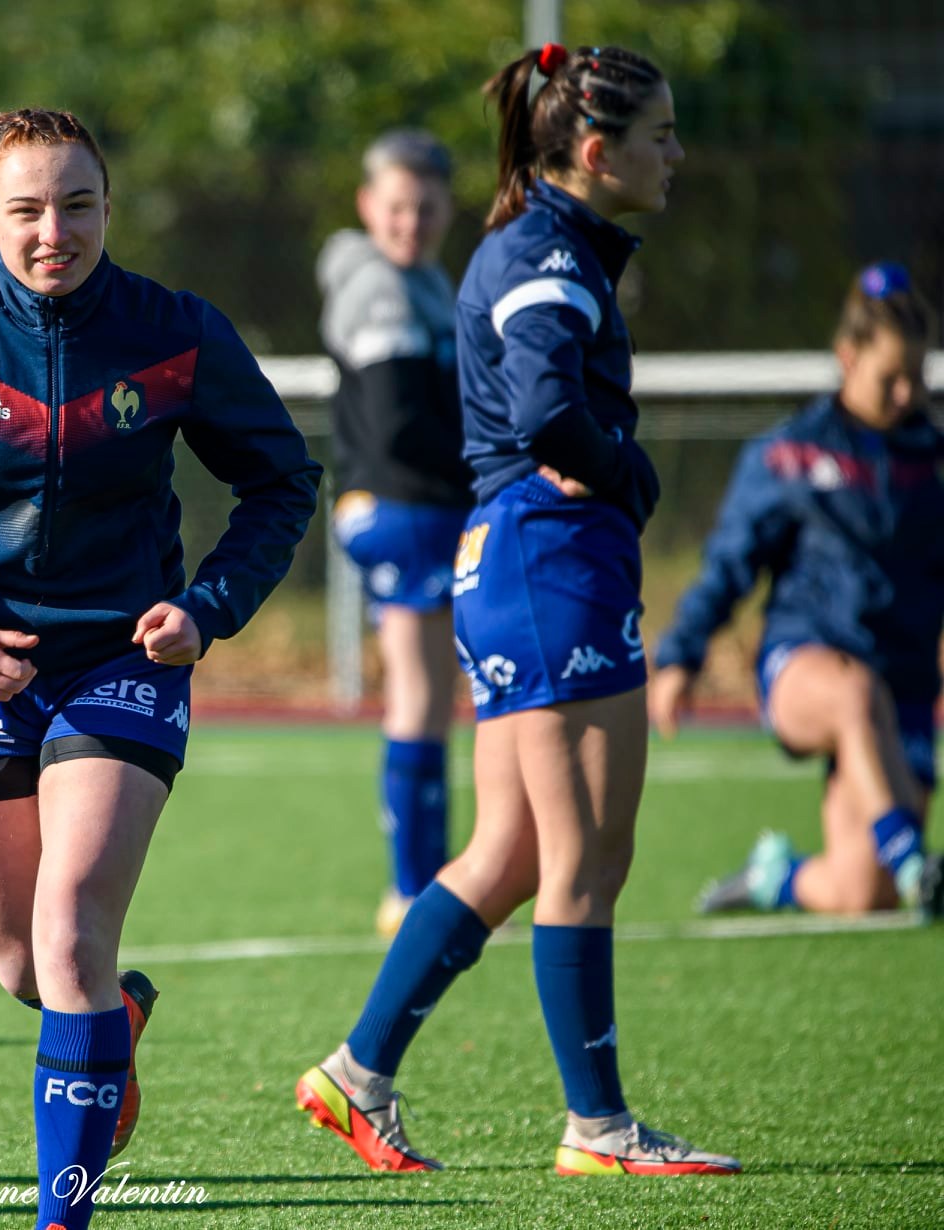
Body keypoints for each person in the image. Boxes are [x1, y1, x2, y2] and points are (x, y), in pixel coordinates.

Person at [0, 108, 321, 1230]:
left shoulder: (174, 331)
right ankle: (111, 1028)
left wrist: (207, 607)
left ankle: (63, 1216)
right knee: (23, 968)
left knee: (74, 926)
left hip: (118, 662)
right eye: (30, 210)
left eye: (79, 205)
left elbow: (282, 483)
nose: (57, 231)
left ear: (110, 208)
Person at [294, 43, 740, 1176]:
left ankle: (357, 1074)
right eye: (660, 136)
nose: (676, 154)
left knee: (509, 850)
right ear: (596, 152)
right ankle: (599, 1127)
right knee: (587, 856)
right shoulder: (546, 252)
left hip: (510, 566)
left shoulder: (539, 242)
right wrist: (627, 475)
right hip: (550, 567)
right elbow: (546, 408)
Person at [651, 263, 944, 920]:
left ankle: (775, 879)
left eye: (916, 378)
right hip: (808, 665)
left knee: (860, 893)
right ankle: (909, 857)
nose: (905, 394)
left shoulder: (933, 462)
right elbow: (729, 563)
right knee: (852, 692)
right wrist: (679, 656)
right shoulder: (789, 455)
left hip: (905, 687)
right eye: (889, 378)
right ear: (847, 357)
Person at [318, 129, 472, 936]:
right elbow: (397, 427)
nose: (411, 222)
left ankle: (430, 881)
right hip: (406, 507)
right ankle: (415, 890)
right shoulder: (381, 288)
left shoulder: (427, 281)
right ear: (368, 207)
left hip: (416, 506)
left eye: (427, 207)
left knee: (434, 698)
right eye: (398, 207)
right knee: (419, 697)